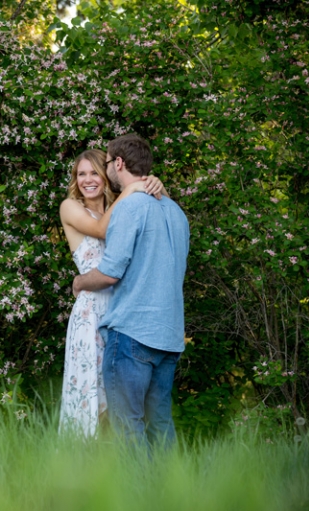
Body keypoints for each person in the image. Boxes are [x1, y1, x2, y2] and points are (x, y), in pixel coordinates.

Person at [72, 134, 189, 450]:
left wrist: (79, 282)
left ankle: (138, 498)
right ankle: (172, 495)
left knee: (127, 426)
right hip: (169, 336)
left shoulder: (129, 207)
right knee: (160, 423)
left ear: (119, 163)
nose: (106, 168)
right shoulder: (177, 212)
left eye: (107, 162)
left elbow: (110, 272)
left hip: (133, 334)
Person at [58, 148, 166, 437]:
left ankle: (114, 473)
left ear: (107, 175)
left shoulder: (123, 206)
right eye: (81, 174)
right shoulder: (70, 207)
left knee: (119, 399)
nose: (88, 180)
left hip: (122, 311)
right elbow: (100, 230)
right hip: (91, 313)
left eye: (94, 172)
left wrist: (155, 186)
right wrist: (132, 189)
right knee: (89, 395)